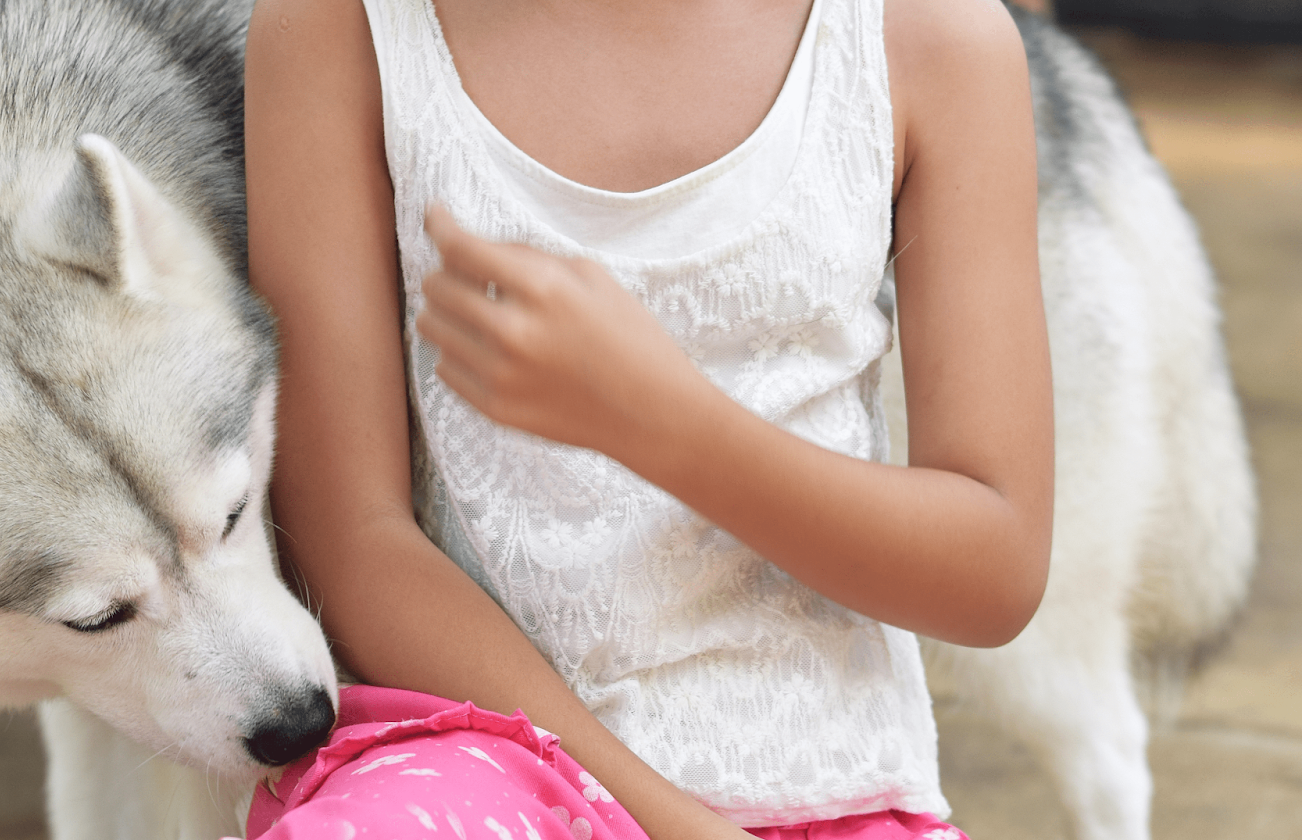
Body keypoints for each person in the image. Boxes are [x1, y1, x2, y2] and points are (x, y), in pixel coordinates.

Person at [241, 0, 1052, 835]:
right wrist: (674, 825)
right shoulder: (339, 26)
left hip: (837, 794)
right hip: (476, 766)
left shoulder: (933, 38)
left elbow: (994, 570)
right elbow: (349, 543)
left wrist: (666, 427)